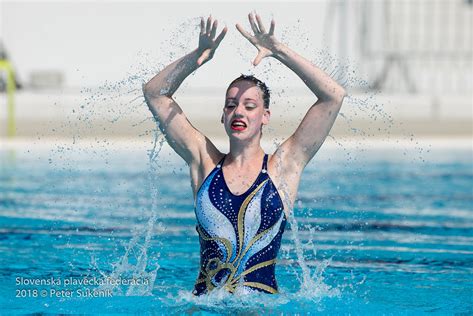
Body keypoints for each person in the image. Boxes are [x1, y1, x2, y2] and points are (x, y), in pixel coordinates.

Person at [143, 13, 346, 295]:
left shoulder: (284, 166)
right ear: (223, 117)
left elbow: (333, 95)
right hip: (203, 308)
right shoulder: (203, 161)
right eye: (231, 105)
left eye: (249, 106)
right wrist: (197, 56)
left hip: (260, 310)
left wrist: (279, 51)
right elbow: (155, 94)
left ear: (265, 116)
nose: (238, 111)